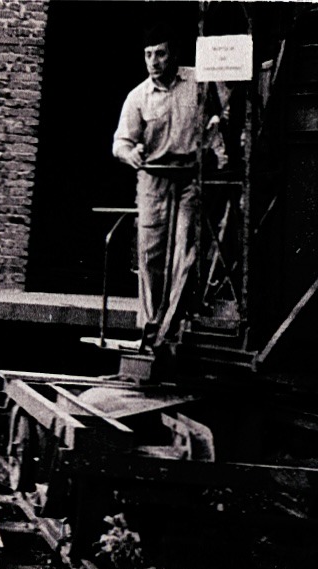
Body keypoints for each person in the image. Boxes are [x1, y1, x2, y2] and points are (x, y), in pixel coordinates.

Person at [112, 31, 203, 349]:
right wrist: (130, 154)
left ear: (174, 55)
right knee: (150, 254)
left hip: (190, 179)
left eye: (161, 54)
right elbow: (120, 143)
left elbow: (224, 108)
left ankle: (172, 326)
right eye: (149, 54)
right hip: (152, 181)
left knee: (185, 248)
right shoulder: (138, 96)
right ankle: (151, 329)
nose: (154, 61)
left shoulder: (197, 81)